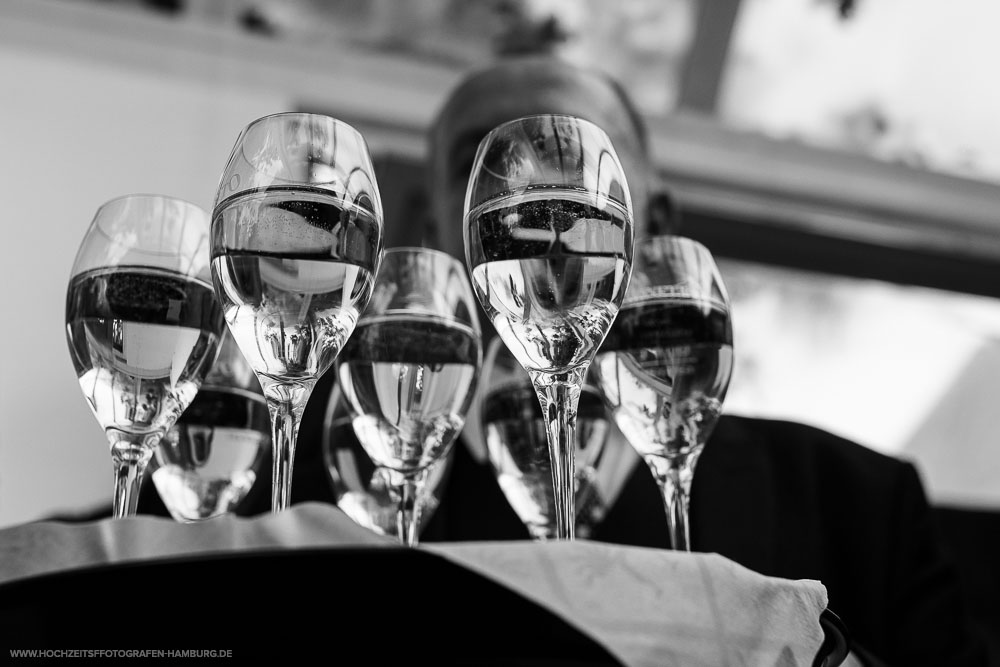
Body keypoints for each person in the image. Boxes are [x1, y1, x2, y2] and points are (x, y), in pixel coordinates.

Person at [413, 53, 991, 667]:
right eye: (480, 165)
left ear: (654, 220)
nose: (525, 194)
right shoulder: (313, 497)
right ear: (434, 234)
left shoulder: (858, 504)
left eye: (568, 162)